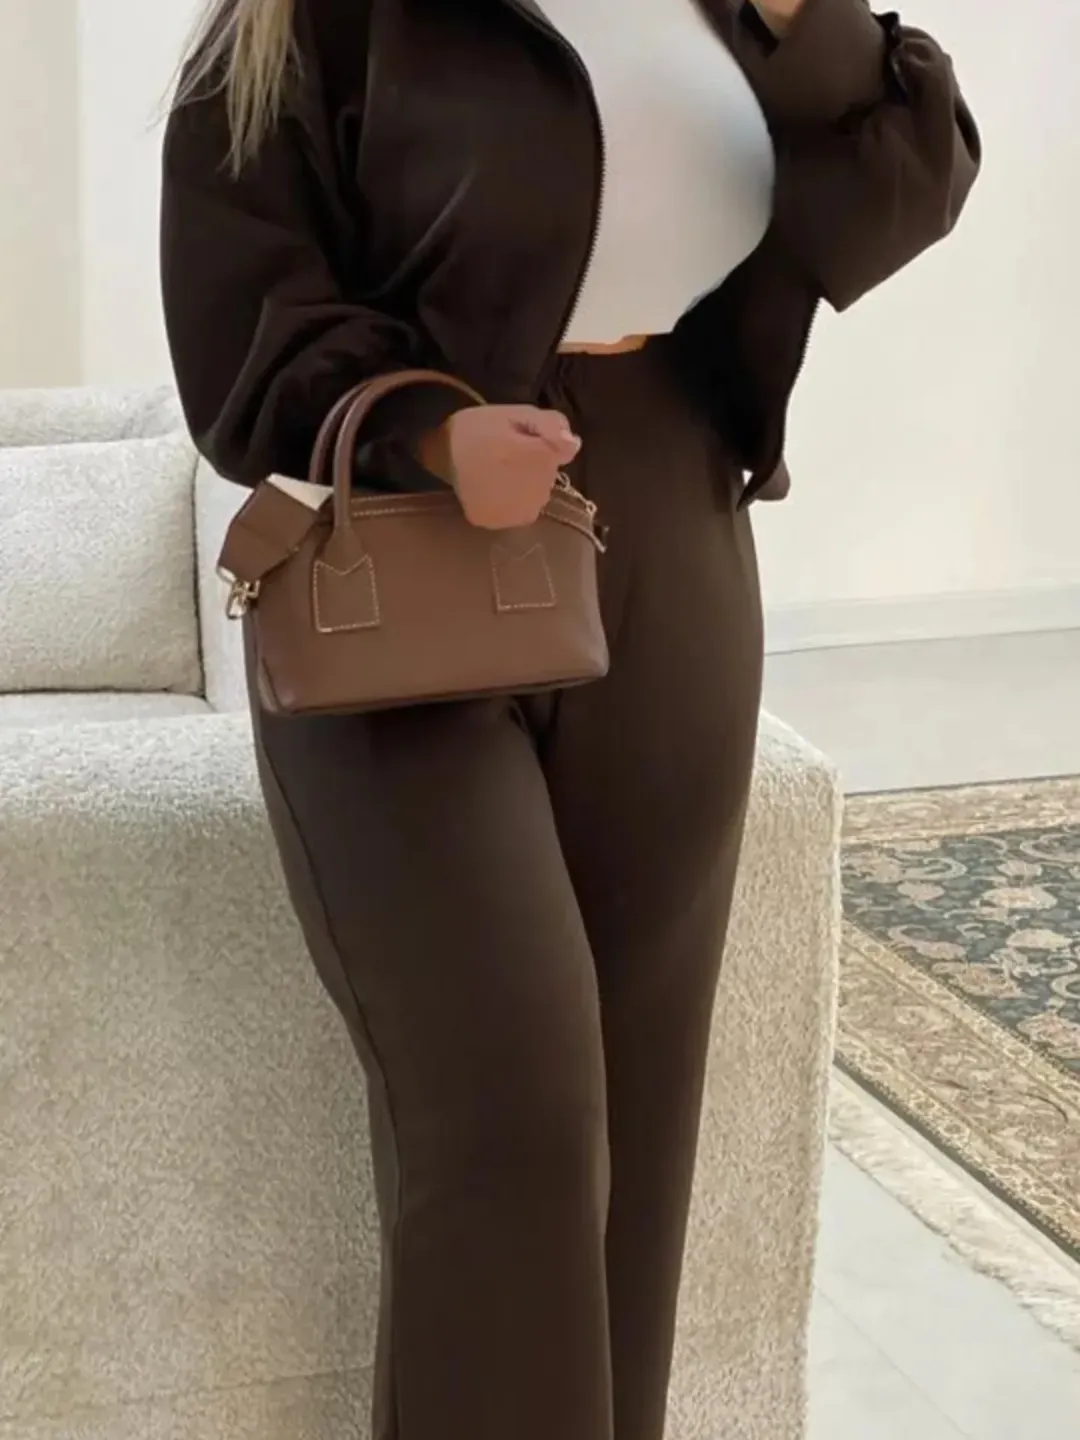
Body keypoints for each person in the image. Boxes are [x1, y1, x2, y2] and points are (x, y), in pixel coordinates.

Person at [161, 2, 979, 1438]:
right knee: (510, 1124)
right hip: (405, 565)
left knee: (636, 1150)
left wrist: (810, 25)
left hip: (673, 533)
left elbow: (898, 186)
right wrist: (424, 428)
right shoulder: (307, 26)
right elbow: (243, 316)